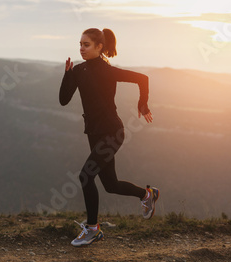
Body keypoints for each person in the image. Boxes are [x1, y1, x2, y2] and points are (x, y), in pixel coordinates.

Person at [59, 28, 160, 247]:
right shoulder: (78, 70)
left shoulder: (108, 71)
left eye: (86, 45)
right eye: (80, 44)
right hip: (94, 133)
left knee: (86, 176)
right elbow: (64, 100)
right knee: (110, 184)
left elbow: (143, 78)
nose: (81, 48)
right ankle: (146, 194)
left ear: (99, 47)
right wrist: (67, 75)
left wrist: (142, 104)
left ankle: (93, 229)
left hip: (112, 132)